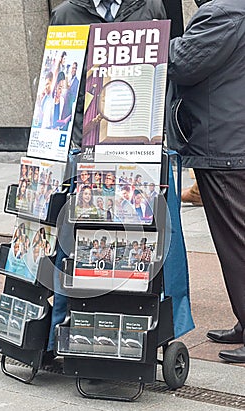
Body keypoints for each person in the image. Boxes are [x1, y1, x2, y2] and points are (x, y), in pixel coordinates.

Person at [44, 0, 167, 366]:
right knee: (73, 246)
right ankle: (60, 337)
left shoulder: (150, 7)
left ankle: (136, 340)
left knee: (140, 240)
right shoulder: (67, 14)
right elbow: (57, 87)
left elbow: (162, 78)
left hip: (137, 151)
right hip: (85, 151)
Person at [166, 0, 245, 363]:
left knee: (237, 244)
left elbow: (182, 63)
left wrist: (160, 42)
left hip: (225, 146)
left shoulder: (222, 12)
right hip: (230, 142)